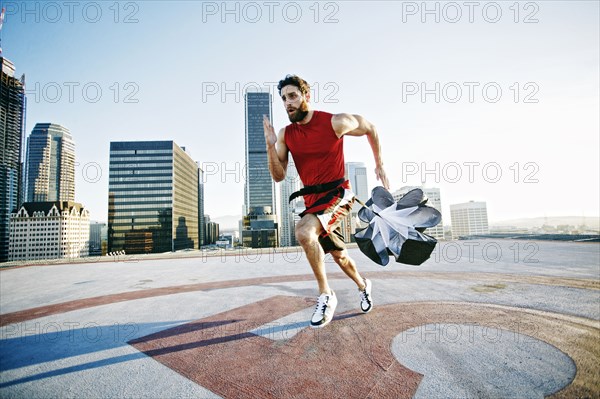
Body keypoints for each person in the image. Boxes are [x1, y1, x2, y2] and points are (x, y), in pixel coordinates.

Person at [263, 74, 390, 328]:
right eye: (284, 99)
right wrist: (269, 147)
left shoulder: (335, 122)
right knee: (340, 256)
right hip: (313, 202)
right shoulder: (286, 134)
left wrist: (379, 164)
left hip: (339, 194)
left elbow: (371, 128)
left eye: (292, 96)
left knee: (303, 232)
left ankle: (326, 295)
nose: (287, 103)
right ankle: (364, 286)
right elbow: (278, 177)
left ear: (306, 96)